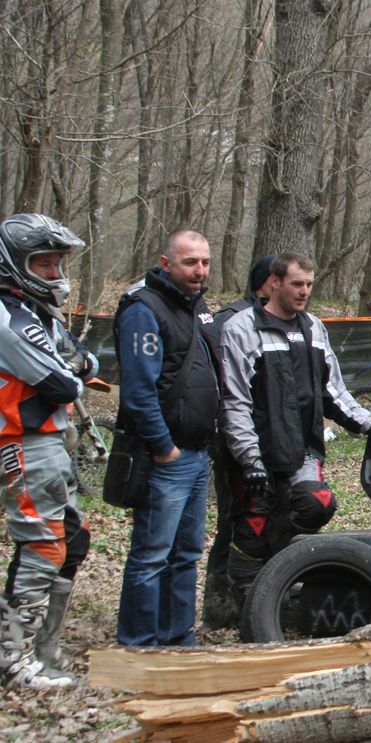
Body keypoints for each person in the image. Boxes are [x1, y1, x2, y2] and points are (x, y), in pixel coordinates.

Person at [219, 252, 371, 604]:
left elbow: (333, 390)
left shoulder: (314, 327)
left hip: (303, 448)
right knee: (250, 529)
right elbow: (234, 401)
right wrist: (250, 459)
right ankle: (241, 607)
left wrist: (369, 424)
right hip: (256, 453)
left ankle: (279, 566)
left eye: (309, 285)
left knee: (318, 504)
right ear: (274, 283)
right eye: (296, 284)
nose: (304, 292)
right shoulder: (241, 328)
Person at [0, 214, 96, 688]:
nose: (54, 273)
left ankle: (43, 648)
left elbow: (85, 356)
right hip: (22, 440)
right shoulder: (7, 316)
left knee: (72, 540)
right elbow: (62, 380)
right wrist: (72, 368)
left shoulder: (34, 310)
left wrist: (74, 364)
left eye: (57, 263)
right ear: (15, 264)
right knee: (41, 546)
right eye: (43, 263)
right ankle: (12, 659)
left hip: (50, 440)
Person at [115, 229, 219, 647]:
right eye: (190, 262)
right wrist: (164, 448)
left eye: (205, 262)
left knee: (186, 555)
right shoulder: (144, 309)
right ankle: (139, 643)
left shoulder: (195, 307)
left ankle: (178, 637)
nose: (199, 271)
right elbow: (139, 392)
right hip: (167, 458)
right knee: (152, 555)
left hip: (198, 454)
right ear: (166, 263)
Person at [200, 255, 275, 630]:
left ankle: (263, 602)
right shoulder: (231, 321)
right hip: (234, 442)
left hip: (276, 443)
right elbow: (222, 387)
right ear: (268, 282)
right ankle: (219, 605)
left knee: (270, 522)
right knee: (235, 522)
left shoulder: (287, 322)